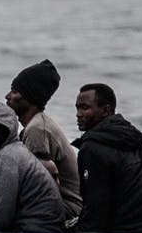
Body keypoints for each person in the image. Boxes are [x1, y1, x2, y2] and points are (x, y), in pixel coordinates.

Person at [72, 84, 142, 233]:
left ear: (106, 110)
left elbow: (96, 213)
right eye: (77, 108)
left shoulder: (92, 149)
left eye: (84, 108)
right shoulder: (137, 140)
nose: (78, 114)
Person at [0, 102, 66, 233]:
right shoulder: (16, 150)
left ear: (6, 132)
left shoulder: (7, 157)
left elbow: (0, 217)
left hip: (37, 232)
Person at [5, 59, 83, 218]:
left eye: (14, 91)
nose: (8, 96)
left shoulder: (37, 130)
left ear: (29, 96)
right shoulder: (37, 124)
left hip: (67, 209)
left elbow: (35, 183)